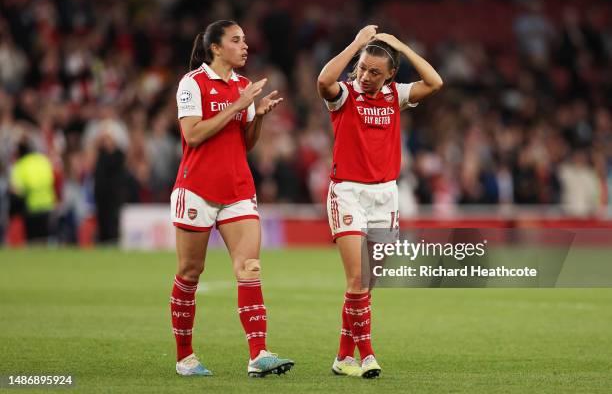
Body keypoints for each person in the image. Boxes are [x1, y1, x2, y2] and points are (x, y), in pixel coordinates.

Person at [317, 25, 443, 378]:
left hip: (385, 195)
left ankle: (343, 357)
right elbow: (323, 81)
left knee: (367, 285)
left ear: (390, 75)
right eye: (362, 68)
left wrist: (401, 45)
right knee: (357, 280)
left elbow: (435, 83)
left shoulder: (395, 94)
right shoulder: (344, 95)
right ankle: (367, 354)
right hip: (348, 192)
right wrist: (357, 43)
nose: (366, 76)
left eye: (375, 72)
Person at [170, 20, 294, 378]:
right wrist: (236, 106)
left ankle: (259, 354)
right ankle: (185, 357)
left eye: (245, 40)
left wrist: (257, 118)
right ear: (215, 48)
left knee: (250, 268)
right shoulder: (192, 84)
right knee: (190, 273)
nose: (245, 46)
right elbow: (192, 135)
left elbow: (245, 143)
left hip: (238, 189)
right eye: (236, 41)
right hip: (197, 189)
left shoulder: (243, 85)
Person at [9, 140, 56, 243]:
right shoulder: (43, 161)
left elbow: (16, 190)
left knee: (33, 241)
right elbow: (52, 180)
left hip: (31, 206)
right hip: (48, 204)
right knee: (44, 238)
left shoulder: (21, 165)